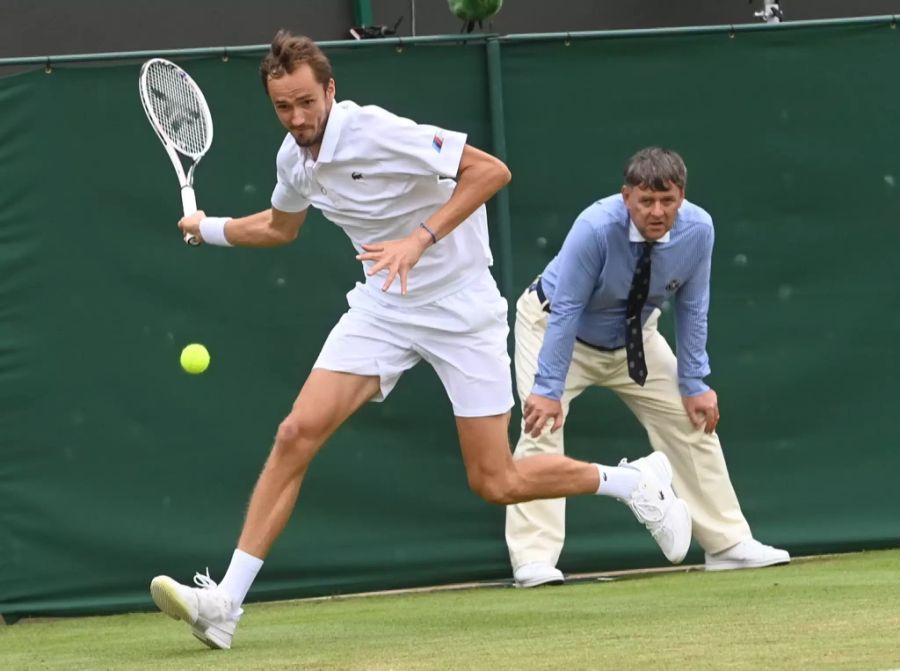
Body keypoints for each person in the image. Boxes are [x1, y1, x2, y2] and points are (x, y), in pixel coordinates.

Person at [149, 33, 692, 650]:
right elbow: (280, 227)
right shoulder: (293, 160)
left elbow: (490, 171)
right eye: (283, 107)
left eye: (306, 102)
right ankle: (224, 604)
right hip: (383, 306)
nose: (298, 118)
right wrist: (210, 228)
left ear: (330, 90)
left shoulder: (376, 131)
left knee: (496, 481)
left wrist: (419, 239)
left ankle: (634, 483)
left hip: (462, 307)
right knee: (295, 434)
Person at [505, 147, 791, 588]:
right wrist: (547, 388)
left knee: (692, 420)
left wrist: (695, 381)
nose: (657, 212)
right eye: (646, 201)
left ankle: (728, 543)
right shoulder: (595, 228)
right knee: (540, 428)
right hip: (553, 326)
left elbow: (694, 306)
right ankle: (533, 559)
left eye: (668, 201)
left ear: (682, 197)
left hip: (635, 336)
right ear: (627, 197)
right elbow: (566, 309)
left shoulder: (699, 230)